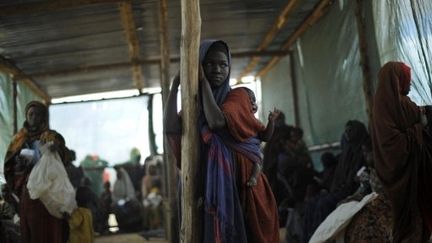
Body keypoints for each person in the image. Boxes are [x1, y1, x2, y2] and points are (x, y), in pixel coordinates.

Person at [164, 39, 279, 243]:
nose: (217, 69)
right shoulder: (193, 106)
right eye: (209, 64)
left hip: (241, 185)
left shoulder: (239, 96)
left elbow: (216, 121)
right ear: (198, 66)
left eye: (223, 64)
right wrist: (175, 87)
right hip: (204, 186)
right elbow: (171, 128)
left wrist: (203, 82)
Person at [371, 61, 432, 242]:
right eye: (406, 78)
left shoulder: (378, 106)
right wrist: (419, 129)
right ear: (397, 80)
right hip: (409, 173)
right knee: (414, 222)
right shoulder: (401, 104)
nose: (410, 83)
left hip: (388, 171)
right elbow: (397, 142)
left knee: (404, 223)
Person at [4, 101, 69, 243]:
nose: (33, 117)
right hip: (28, 191)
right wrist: (20, 164)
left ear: (44, 117)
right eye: (30, 114)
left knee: (51, 229)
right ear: (26, 116)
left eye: (37, 114)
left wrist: (56, 149)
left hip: (49, 190)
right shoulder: (18, 139)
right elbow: (9, 165)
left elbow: (65, 157)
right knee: (31, 229)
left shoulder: (53, 136)